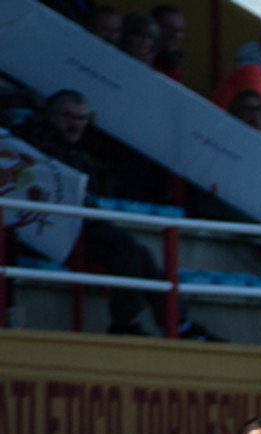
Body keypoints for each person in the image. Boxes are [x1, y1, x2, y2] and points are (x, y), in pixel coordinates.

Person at [14, 93, 207, 339]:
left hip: (68, 230)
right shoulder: (33, 145)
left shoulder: (75, 153)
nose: (74, 124)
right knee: (124, 245)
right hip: (38, 234)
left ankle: (177, 324)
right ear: (48, 115)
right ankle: (126, 325)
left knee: (140, 253)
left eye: (81, 118)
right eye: (67, 116)